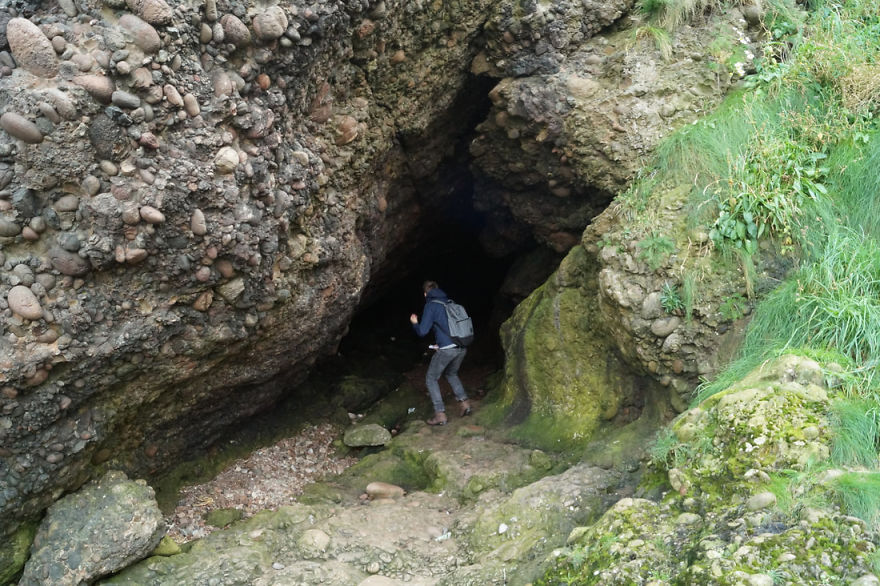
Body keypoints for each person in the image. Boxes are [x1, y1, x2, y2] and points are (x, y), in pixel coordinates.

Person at [409, 280, 472, 426]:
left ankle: (440, 414)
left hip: (448, 350)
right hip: (462, 347)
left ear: (425, 294)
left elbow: (423, 331)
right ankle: (465, 404)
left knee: (431, 378)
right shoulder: (450, 303)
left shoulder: (431, 306)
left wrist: (414, 323)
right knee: (451, 373)